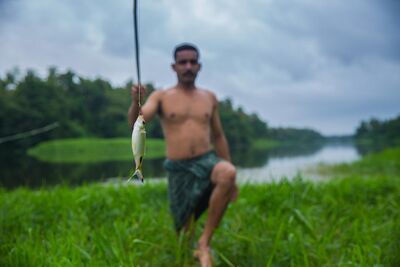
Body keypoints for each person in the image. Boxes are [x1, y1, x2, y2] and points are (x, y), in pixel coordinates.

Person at [128, 43, 238, 267]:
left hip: (207, 160)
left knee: (228, 173)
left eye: (193, 62)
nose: (188, 66)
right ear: (174, 66)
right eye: (183, 62)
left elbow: (218, 136)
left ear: (199, 66)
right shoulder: (162, 96)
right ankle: (193, 249)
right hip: (178, 168)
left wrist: (231, 176)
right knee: (183, 235)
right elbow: (137, 123)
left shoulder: (209, 97)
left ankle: (205, 243)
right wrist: (135, 102)